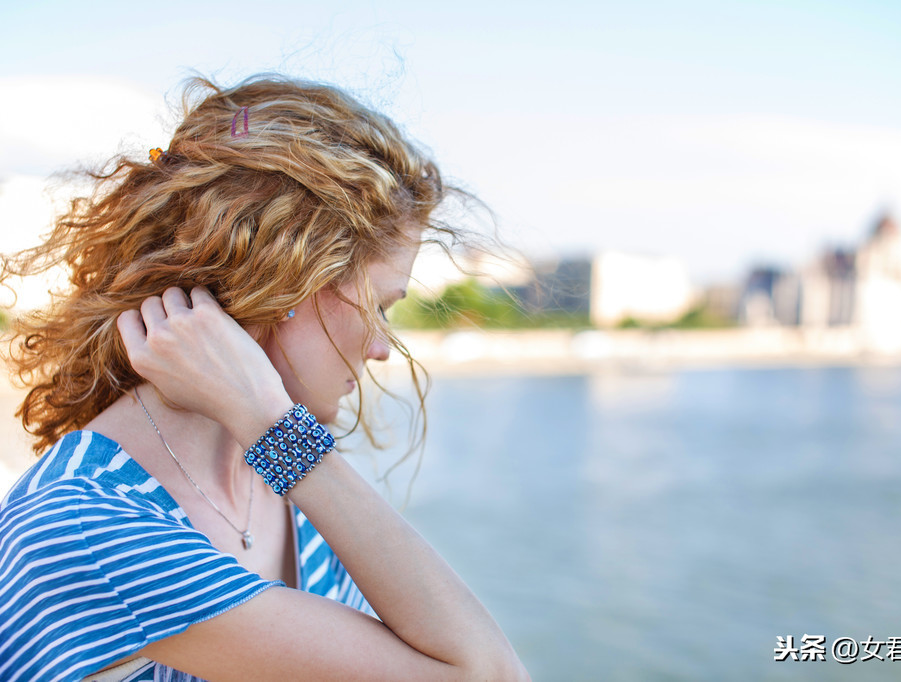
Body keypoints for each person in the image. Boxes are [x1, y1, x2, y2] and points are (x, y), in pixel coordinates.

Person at [0, 75, 529, 681]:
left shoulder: (281, 484)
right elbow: (489, 674)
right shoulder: (90, 519)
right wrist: (278, 428)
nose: (383, 347)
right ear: (285, 282)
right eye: (380, 305)